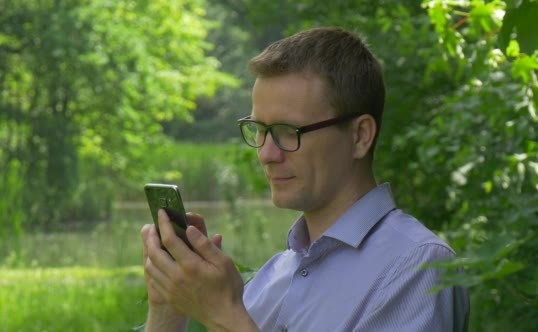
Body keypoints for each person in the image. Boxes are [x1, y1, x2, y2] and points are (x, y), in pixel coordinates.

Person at [141, 27, 469, 331]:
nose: (267, 154)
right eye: (259, 130)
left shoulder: (418, 265)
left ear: (360, 136)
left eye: (288, 131)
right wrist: (168, 304)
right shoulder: (274, 275)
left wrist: (223, 313)